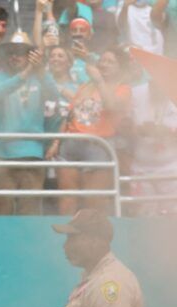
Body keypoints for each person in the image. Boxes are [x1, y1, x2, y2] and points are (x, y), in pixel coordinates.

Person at [0, 32, 59, 215]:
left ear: (30, 55)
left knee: (30, 211)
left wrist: (40, 69)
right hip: (3, 155)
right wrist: (26, 72)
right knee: (1, 211)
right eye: (11, 52)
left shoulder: (41, 75)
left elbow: (54, 95)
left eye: (21, 52)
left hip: (32, 153)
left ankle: (29, 244)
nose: (15, 56)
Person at [54, 48, 131, 215]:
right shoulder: (85, 86)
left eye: (110, 62)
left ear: (120, 67)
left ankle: (95, 237)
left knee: (94, 200)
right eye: (102, 60)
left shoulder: (123, 88)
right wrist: (56, 142)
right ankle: (64, 237)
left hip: (99, 146)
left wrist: (100, 82)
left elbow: (111, 107)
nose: (104, 64)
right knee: (67, 199)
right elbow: (70, 114)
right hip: (71, 144)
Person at [128, 78, 177, 215]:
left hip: (172, 167)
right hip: (141, 167)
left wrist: (167, 131)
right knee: (144, 214)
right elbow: (122, 124)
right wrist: (136, 130)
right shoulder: (135, 93)